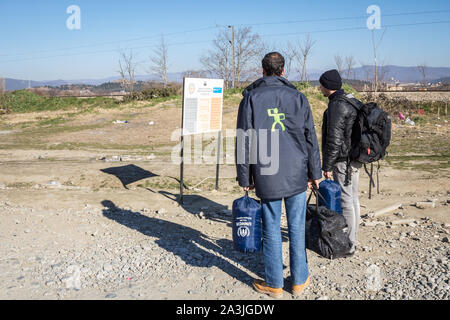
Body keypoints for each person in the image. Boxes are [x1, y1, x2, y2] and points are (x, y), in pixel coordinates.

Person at [236, 52, 322, 298]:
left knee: (271, 228)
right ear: (283, 71)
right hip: (297, 172)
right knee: (296, 226)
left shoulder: (250, 98)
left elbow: (244, 140)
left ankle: (274, 284)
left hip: (266, 172)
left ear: (262, 71)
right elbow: (310, 139)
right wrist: (315, 172)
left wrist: (244, 177)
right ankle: (299, 280)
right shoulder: (298, 97)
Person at [319, 69, 362, 256]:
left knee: (346, 201)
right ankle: (353, 237)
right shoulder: (350, 101)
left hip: (343, 161)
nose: (319, 87)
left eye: (321, 84)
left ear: (327, 87)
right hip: (355, 158)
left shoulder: (337, 106)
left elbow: (334, 139)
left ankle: (349, 244)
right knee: (353, 198)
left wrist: (327, 166)